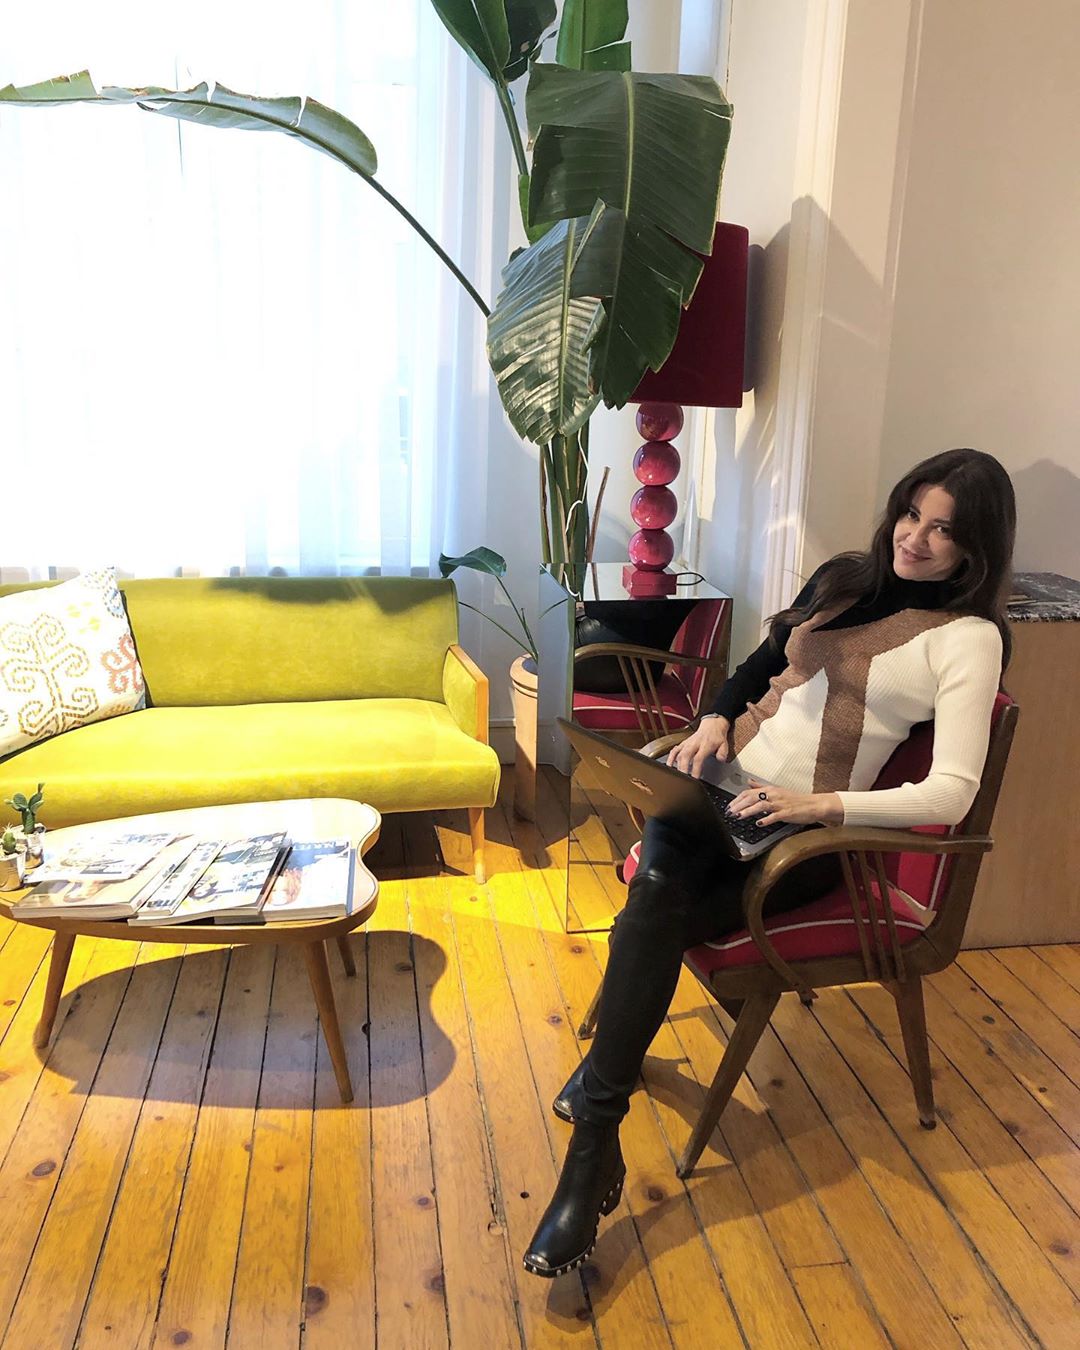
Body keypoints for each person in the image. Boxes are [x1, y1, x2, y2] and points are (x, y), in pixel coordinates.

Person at [523, 447, 1017, 1278]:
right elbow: (760, 666)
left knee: (653, 905)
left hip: (805, 840)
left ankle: (593, 1139)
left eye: (944, 531)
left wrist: (818, 808)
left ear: (976, 551)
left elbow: (953, 792)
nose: (916, 538)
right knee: (661, 883)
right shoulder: (844, 578)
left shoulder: (967, 641)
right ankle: (598, 1137)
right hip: (721, 787)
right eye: (912, 514)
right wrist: (716, 720)